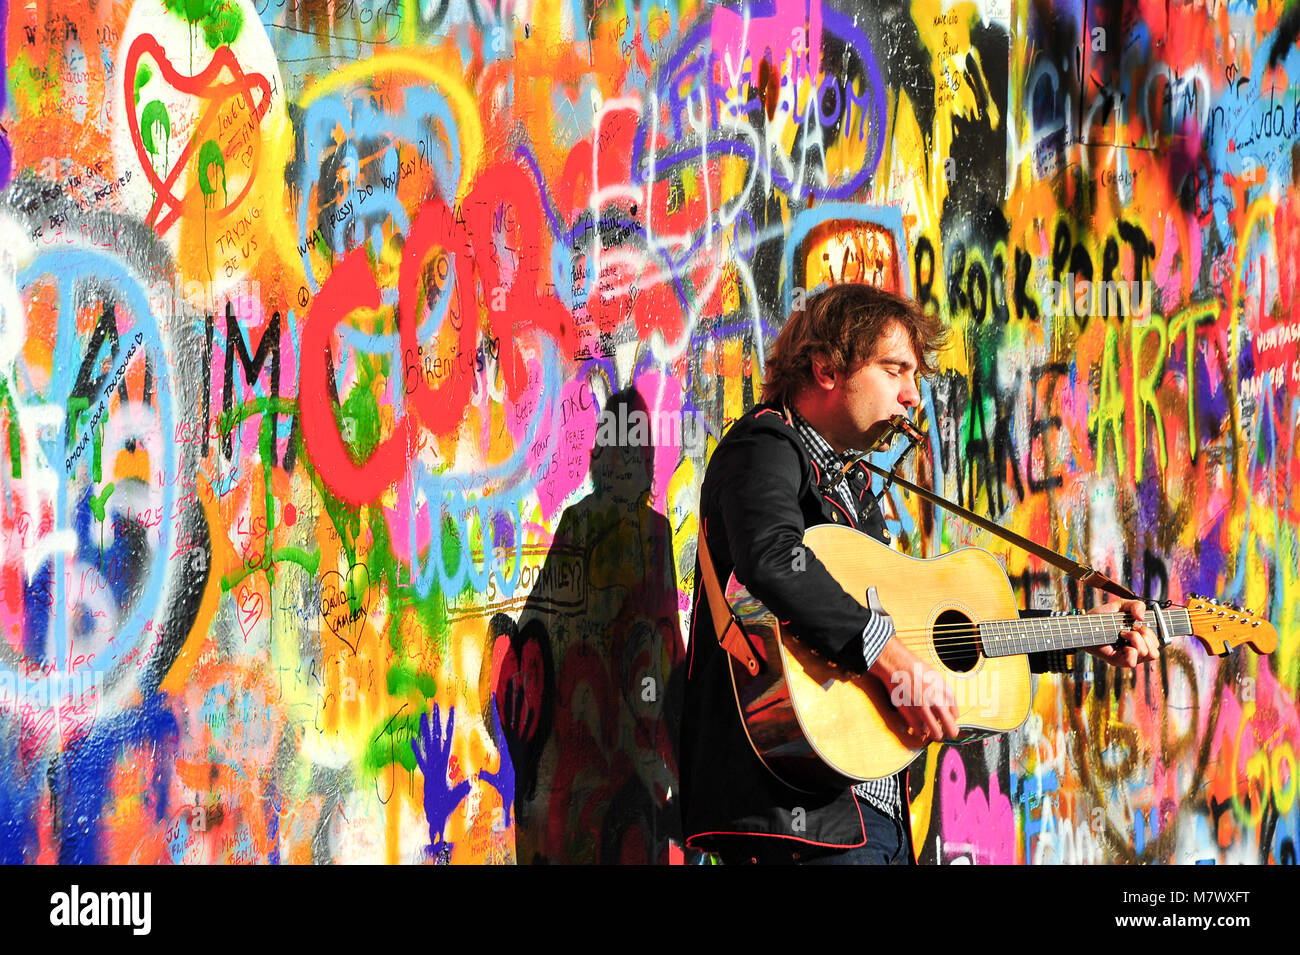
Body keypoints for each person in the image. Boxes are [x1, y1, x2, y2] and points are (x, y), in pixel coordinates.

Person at [680, 283, 1159, 865]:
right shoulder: (764, 445)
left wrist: (1082, 631)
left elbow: (932, 638)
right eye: (894, 370)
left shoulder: (851, 485)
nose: (912, 394)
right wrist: (890, 655)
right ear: (826, 368)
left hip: (872, 811)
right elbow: (773, 558)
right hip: (798, 816)